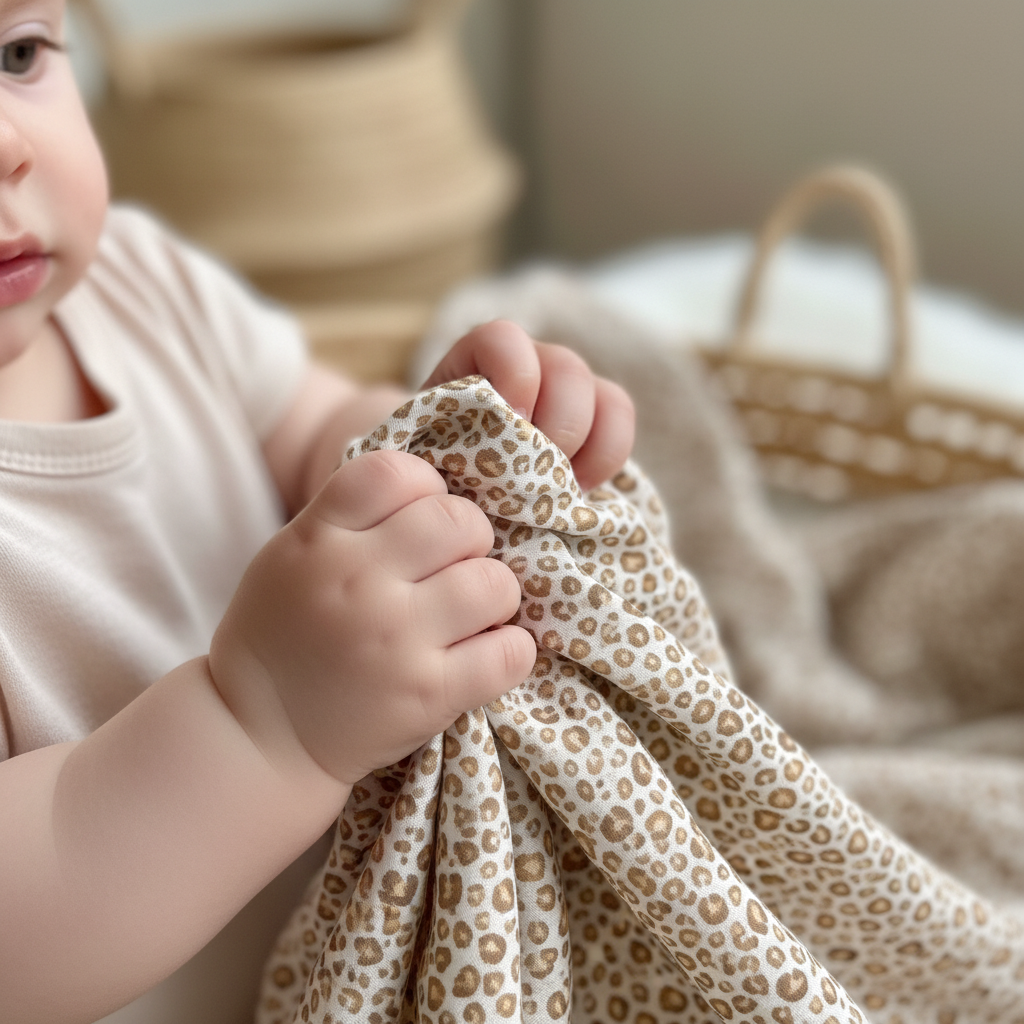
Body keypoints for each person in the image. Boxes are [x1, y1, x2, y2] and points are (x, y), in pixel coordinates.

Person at [0, 1, 636, 1021]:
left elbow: (314, 430)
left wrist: (440, 452)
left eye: (17, 55)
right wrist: (266, 724)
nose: (7, 143)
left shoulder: (141, 281)